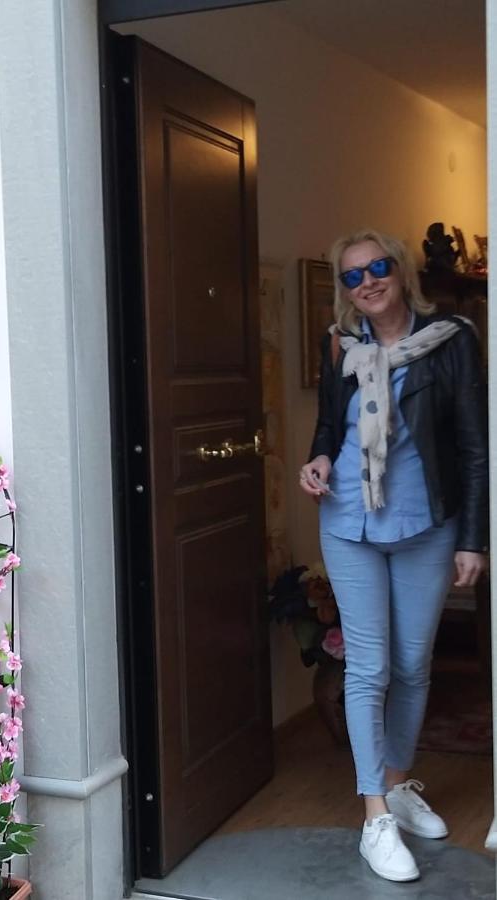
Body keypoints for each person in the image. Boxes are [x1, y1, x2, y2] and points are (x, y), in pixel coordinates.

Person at [299, 228, 488, 883]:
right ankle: (374, 817)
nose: (367, 282)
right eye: (352, 275)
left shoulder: (451, 341)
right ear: (344, 288)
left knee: (411, 665)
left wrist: (473, 538)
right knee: (369, 667)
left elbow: (473, 445)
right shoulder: (338, 344)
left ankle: (398, 784)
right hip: (348, 521)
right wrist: (319, 460)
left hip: (425, 523)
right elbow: (329, 426)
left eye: (377, 267)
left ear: (401, 271)